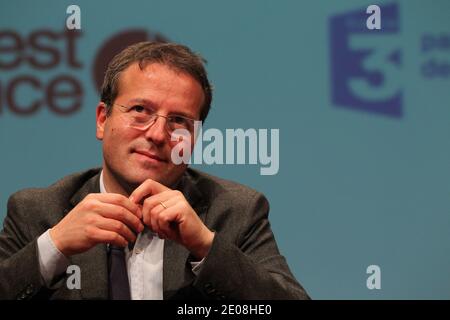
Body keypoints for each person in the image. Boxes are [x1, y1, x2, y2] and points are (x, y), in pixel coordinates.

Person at [0, 42, 309, 300]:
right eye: (140, 110)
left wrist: (205, 245)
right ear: (101, 120)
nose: (159, 135)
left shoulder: (236, 211)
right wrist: (53, 247)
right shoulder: (37, 212)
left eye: (178, 121)